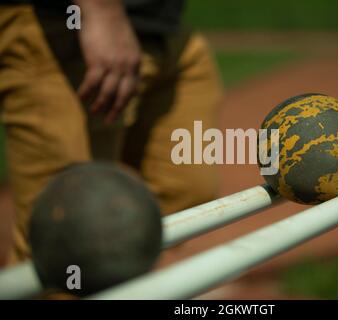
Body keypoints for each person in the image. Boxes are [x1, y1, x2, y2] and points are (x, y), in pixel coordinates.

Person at [0, 0, 223, 264]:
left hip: (164, 27)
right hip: (65, 27)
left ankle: (114, 273)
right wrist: (101, 11)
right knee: (67, 236)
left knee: (187, 188)